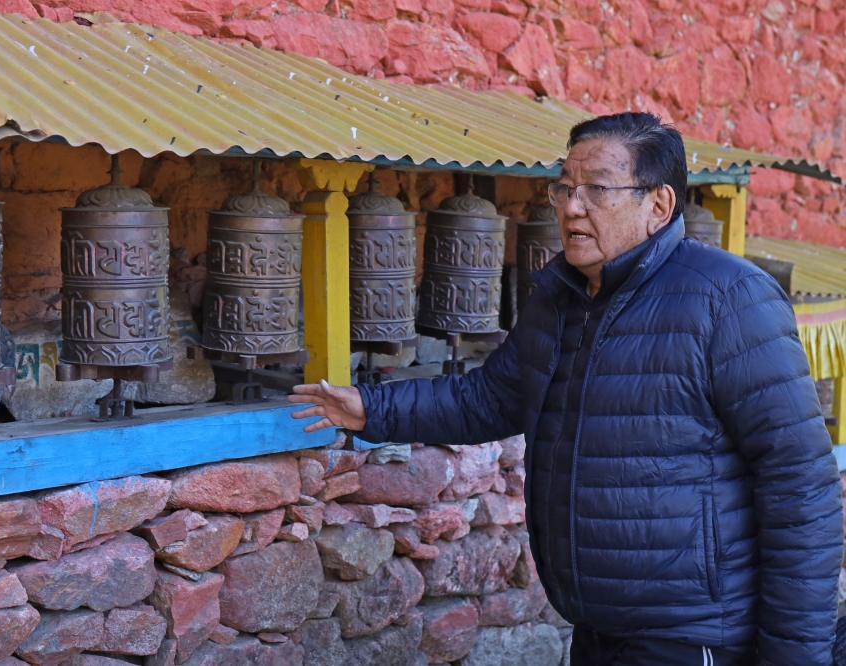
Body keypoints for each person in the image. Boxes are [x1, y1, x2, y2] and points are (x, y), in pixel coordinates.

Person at [290, 112, 844, 666]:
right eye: (565, 187)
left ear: (659, 206)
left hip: (692, 636)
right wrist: (370, 408)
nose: (572, 206)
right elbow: (491, 398)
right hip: (595, 628)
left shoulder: (728, 298)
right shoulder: (561, 297)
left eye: (597, 189)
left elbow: (801, 486)